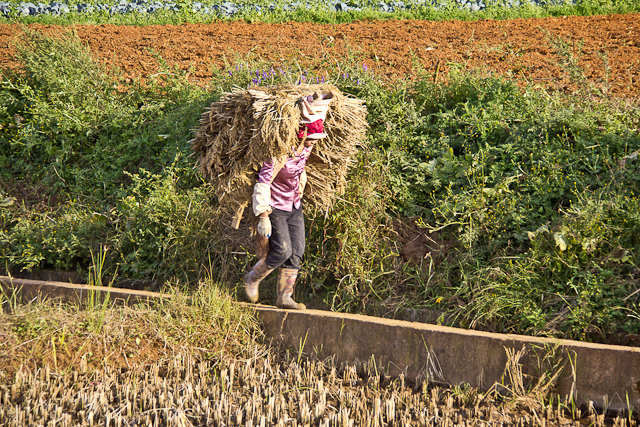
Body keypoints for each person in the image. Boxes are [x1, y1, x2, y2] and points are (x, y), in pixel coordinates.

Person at [243, 92, 333, 309]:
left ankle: (284, 297)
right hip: (274, 206)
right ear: (301, 134)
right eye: (310, 137)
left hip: (293, 204)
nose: (313, 142)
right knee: (282, 251)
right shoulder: (279, 153)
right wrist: (263, 216)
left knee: (297, 251)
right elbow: (263, 182)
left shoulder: (307, 148)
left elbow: (300, 171)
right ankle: (253, 278)